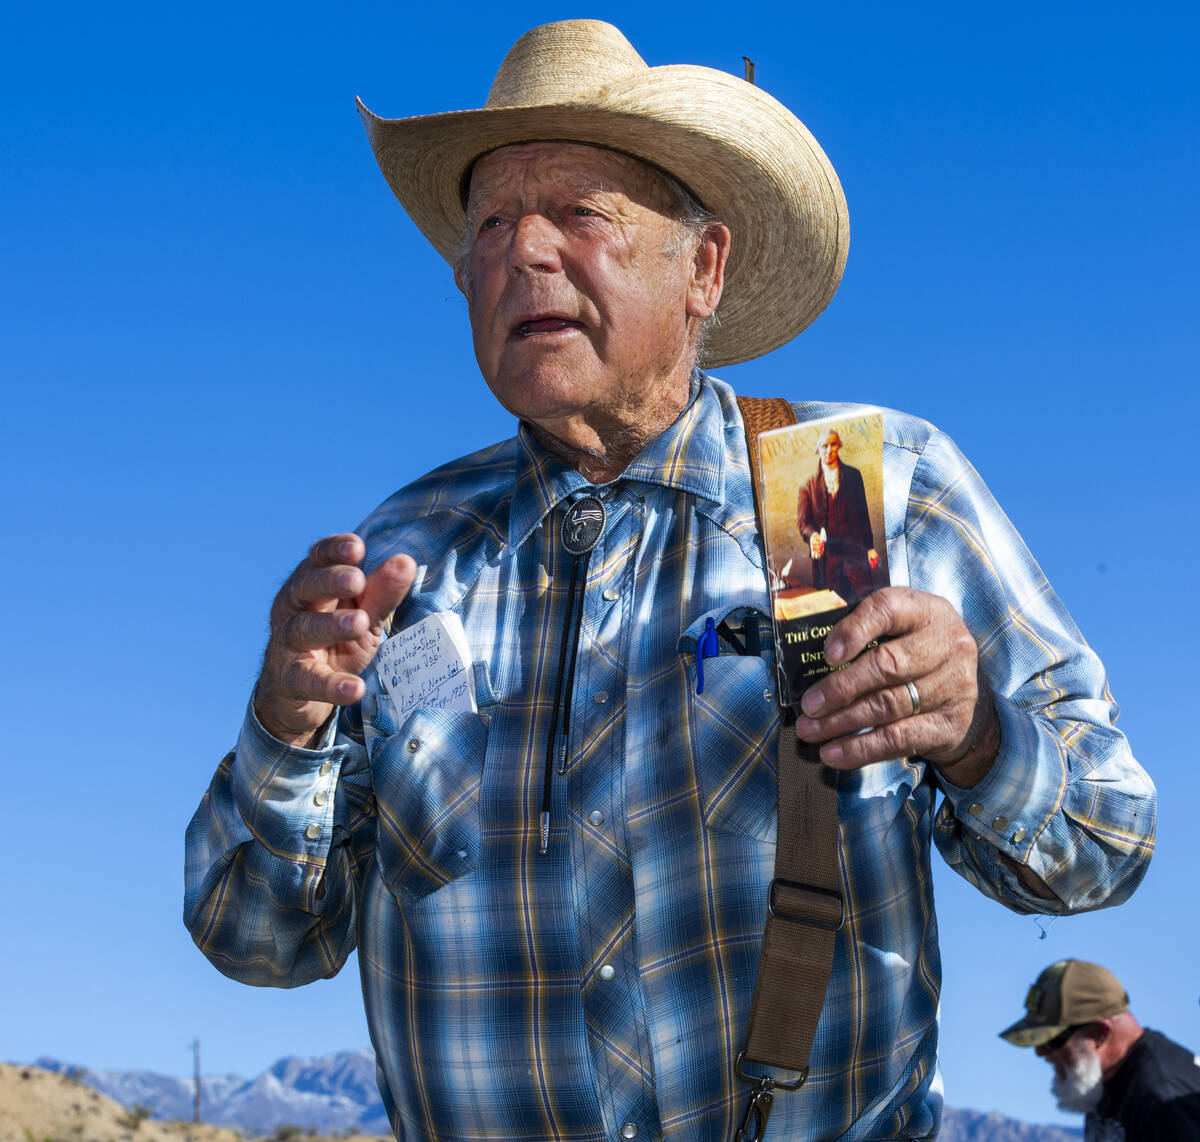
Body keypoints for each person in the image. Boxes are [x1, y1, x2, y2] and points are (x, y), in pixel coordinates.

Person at [183, 20, 1156, 1142]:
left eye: (580, 214)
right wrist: (284, 732)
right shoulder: (404, 557)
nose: (524, 253)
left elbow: (1106, 842)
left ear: (703, 268)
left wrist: (978, 733)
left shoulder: (838, 495)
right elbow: (256, 938)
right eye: (491, 223)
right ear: (460, 280)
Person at [1001, 959, 1200, 1139]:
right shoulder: (1102, 1083)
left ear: (1099, 1033)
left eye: (1052, 1041)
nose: (1040, 1052)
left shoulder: (1160, 1096)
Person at [796, 429, 880, 603]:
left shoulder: (854, 476)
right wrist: (813, 537)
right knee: (830, 610)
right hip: (827, 560)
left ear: (838, 446)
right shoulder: (807, 483)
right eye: (824, 446)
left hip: (855, 553)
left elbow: (862, 514)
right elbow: (804, 523)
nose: (829, 450)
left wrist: (870, 547)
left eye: (833, 444)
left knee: (867, 605)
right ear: (818, 449)